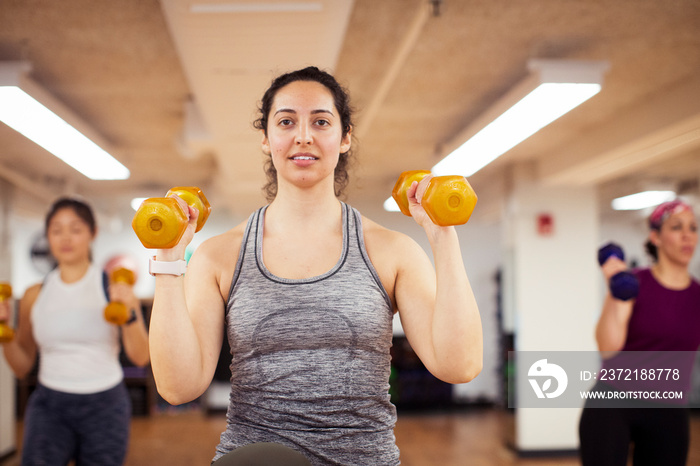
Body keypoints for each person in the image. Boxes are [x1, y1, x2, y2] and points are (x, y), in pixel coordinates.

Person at [147, 66, 483, 465]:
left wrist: (442, 236)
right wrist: (168, 261)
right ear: (266, 139)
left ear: (345, 138)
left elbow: (459, 365)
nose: (303, 135)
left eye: (320, 121)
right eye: (286, 121)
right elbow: (178, 388)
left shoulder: (391, 250)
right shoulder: (220, 255)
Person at [0, 197, 150, 466]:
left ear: (93, 233)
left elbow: (141, 357)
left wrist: (130, 313)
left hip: (105, 406)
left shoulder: (113, 287)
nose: (65, 238)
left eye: (76, 229)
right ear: (47, 236)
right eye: (56, 230)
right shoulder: (35, 294)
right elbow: (22, 367)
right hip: (49, 405)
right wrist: (3, 333)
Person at [579, 199, 700, 466]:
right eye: (676, 227)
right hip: (614, 401)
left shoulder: (697, 295)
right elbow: (608, 349)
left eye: (693, 228)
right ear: (655, 236)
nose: (687, 235)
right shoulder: (632, 283)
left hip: (669, 406)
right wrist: (614, 291)